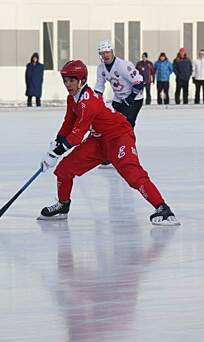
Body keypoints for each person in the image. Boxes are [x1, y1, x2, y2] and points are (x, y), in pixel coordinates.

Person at [38, 60, 179, 226]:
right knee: (64, 170)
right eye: (65, 81)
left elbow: (77, 135)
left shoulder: (87, 101)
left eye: (72, 80)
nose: (68, 84)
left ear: (82, 80)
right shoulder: (73, 99)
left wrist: (57, 152)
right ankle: (63, 205)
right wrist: (56, 142)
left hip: (119, 136)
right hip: (98, 140)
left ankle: (162, 208)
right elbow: (68, 123)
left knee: (132, 173)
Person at [94, 39, 144, 128]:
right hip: (119, 99)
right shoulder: (101, 68)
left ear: (112, 51)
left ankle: (128, 141)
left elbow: (139, 82)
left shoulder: (123, 65)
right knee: (114, 124)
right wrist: (96, 100)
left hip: (134, 98)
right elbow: (100, 85)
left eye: (107, 52)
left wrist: (131, 97)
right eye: (102, 53)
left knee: (127, 124)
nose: (105, 55)